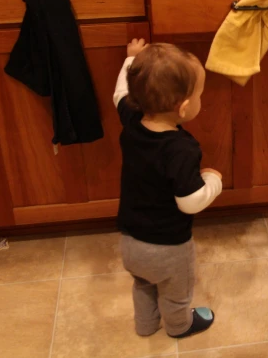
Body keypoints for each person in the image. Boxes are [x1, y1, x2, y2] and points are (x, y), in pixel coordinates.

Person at [113, 40, 223, 339]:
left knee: (143, 285)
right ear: (185, 107)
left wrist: (130, 61)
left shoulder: (132, 120)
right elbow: (190, 202)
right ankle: (179, 325)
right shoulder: (180, 149)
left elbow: (120, 93)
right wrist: (213, 181)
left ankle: (146, 325)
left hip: (130, 242)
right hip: (169, 248)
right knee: (176, 294)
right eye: (200, 94)